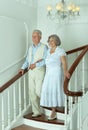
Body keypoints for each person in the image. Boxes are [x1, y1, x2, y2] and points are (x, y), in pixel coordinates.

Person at [40, 34, 70, 120]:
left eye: (52, 40)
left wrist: (65, 71)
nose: (50, 42)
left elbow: (64, 62)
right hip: (48, 73)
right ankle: (52, 106)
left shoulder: (60, 50)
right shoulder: (48, 51)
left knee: (54, 90)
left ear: (56, 41)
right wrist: (39, 60)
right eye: (49, 41)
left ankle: (53, 111)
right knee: (46, 89)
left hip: (56, 72)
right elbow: (45, 60)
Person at [19, 29, 48, 117]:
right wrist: (22, 68)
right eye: (32, 36)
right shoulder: (30, 48)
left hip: (40, 71)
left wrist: (36, 64)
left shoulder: (44, 47)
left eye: (35, 36)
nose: (33, 38)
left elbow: (46, 60)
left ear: (40, 37)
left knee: (38, 90)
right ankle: (36, 111)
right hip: (30, 72)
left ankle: (48, 103)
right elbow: (28, 60)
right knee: (32, 92)